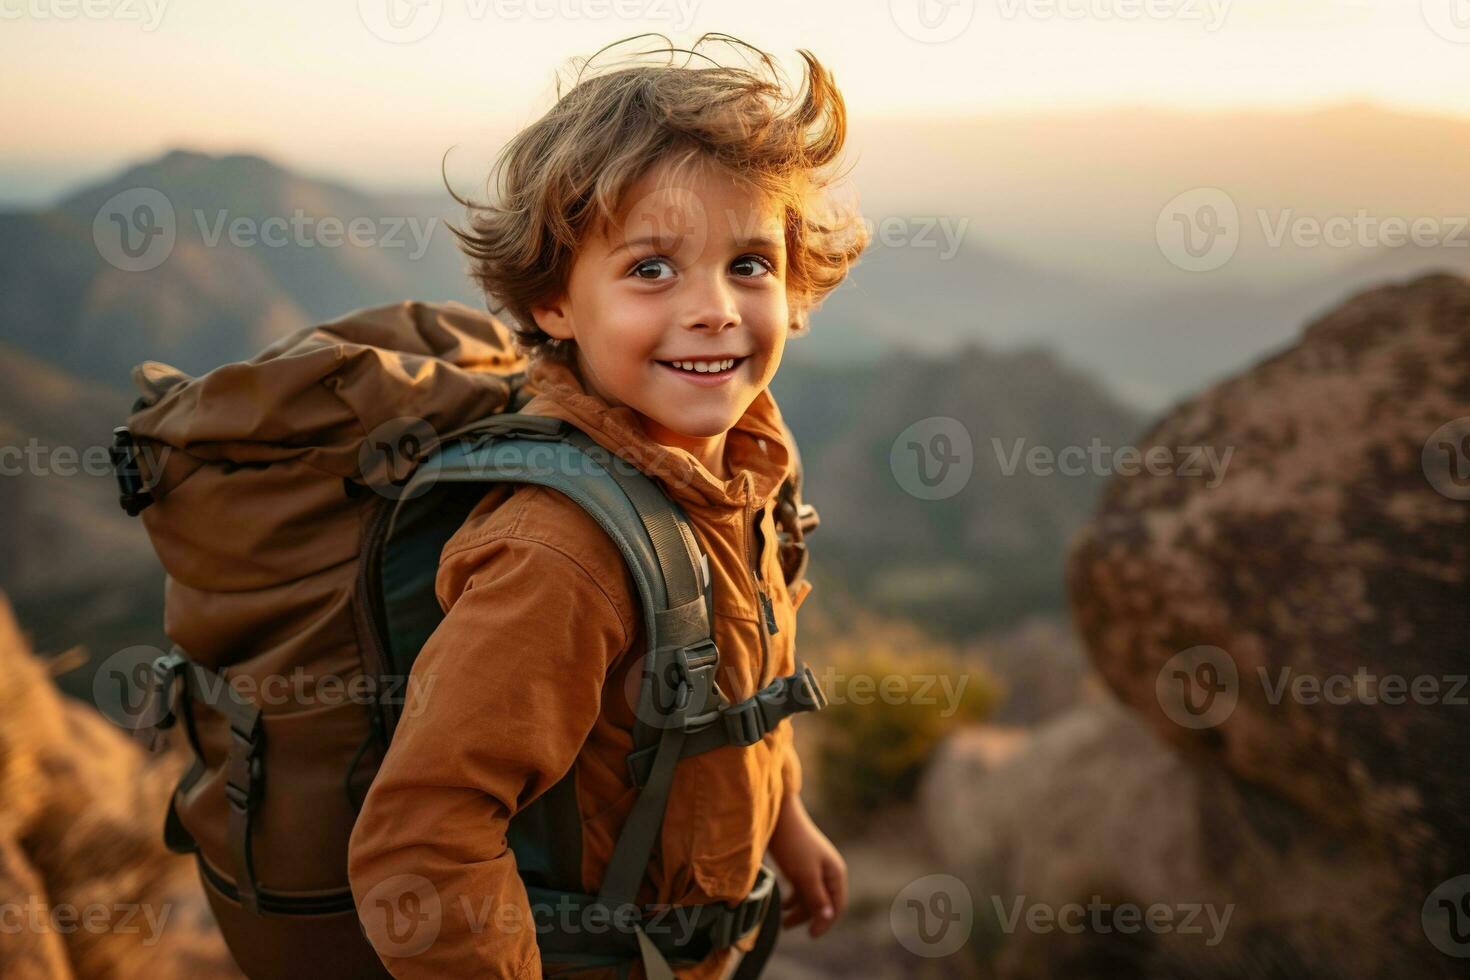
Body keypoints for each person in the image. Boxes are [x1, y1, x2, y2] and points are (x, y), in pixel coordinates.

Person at [347, 32, 870, 978]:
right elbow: (422, 838)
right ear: (553, 301)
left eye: (749, 263)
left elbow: (747, 684)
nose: (713, 308)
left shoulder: (743, 474)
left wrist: (784, 820)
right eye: (651, 269)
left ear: (794, 284)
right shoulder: (558, 553)